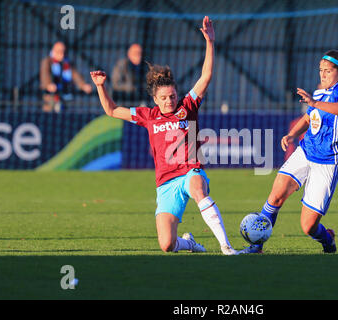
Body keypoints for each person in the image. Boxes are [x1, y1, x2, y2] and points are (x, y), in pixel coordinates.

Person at [90, 17, 237, 255]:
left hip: (191, 171)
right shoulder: (149, 115)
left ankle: (226, 246)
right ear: (155, 100)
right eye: (164, 98)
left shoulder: (187, 106)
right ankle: (190, 243)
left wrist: (210, 41)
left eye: (172, 96)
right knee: (167, 245)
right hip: (166, 183)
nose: (169, 101)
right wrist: (100, 86)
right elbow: (111, 110)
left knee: (199, 188)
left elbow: (206, 76)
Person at [240, 50, 338, 254]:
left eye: (328, 71)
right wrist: (292, 134)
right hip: (305, 151)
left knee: (308, 226)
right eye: (320, 70)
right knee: (275, 196)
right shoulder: (319, 93)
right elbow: (308, 118)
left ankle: (327, 239)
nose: (323, 75)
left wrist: (313, 103)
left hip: (328, 161)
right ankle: (256, 246)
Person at [40, 41, 92, 112]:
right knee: (49, 111)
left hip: (64, 93)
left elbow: (74, 74)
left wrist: (83, 85)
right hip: (50, 96)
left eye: (63, 51)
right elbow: (45, 74)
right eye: (60, 51)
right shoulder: (47, 61)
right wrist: (48, 84)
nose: (62, 54)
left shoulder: (67, 62)